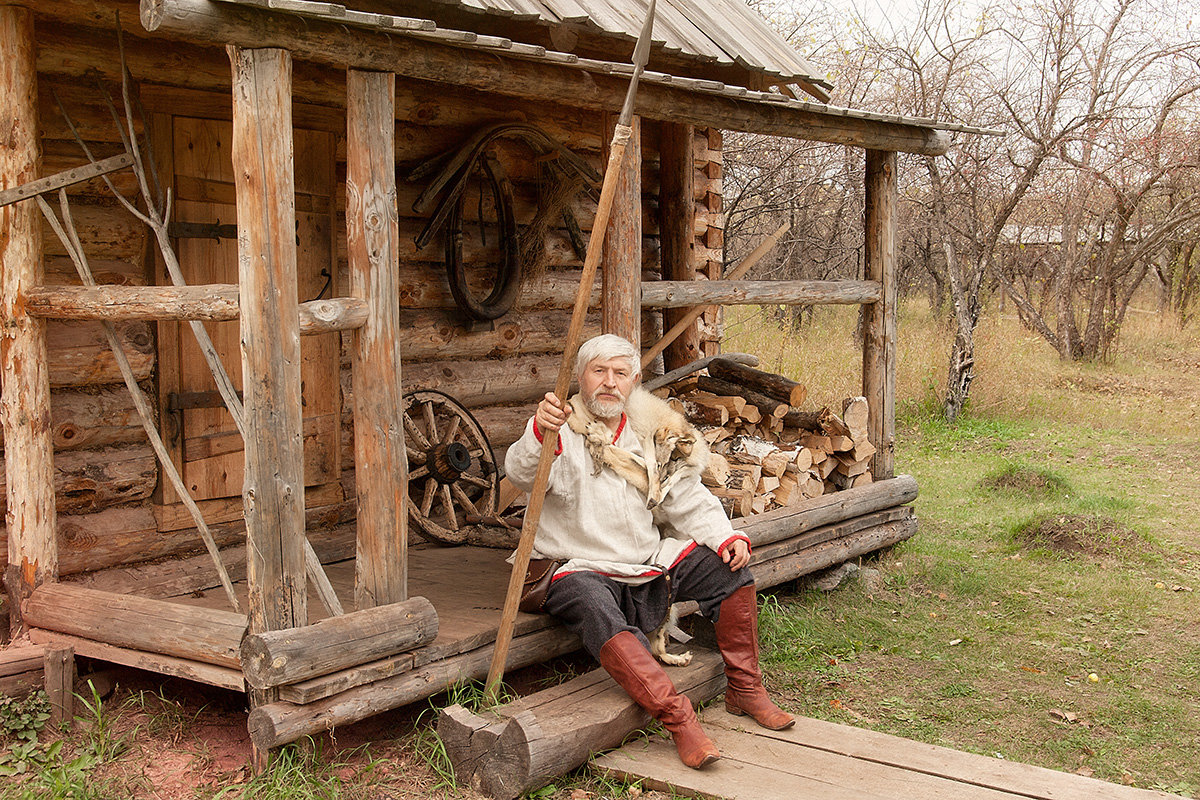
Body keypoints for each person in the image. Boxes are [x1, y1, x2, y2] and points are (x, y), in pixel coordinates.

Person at [504, 334, 793, 770]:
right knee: (591, 601)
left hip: (642, 560)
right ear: (580, 377)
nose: (609, 383)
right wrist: (538, 432)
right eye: (598, 371)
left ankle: (746, 689)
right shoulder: (559, 426)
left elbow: (686, 497)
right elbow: (522, 473)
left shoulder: (650, 431)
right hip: (575, 565)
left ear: (634, 380)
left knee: (727, 568)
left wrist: (725, 537)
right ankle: (680, 720)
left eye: (620, 373)